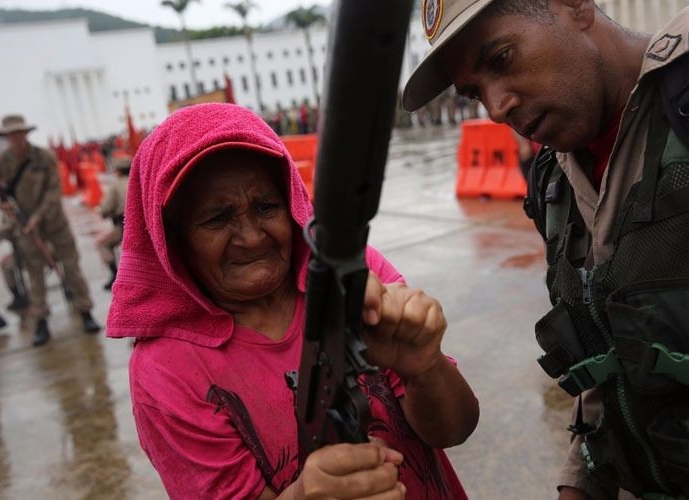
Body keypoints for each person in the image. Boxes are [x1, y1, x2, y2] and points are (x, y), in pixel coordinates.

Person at [106, 103, 479, 499]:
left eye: (266, 207)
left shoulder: (349, 277)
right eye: (217, 219)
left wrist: (425, 367)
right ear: (172, 241)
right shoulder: (167, 371)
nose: (251, 237)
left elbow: (456, 428)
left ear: (292, 204)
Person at [403, 1, 689, 499]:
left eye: (501, 59)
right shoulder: (555, 181)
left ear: (575, 5)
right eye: (474, 93)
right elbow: (610, 358)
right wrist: (576, 483)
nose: (495, 108)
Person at [0, 115, 100, 346]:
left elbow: (53, 192)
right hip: (24, 227)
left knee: (71, 268)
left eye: (18, 133)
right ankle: (41, 321)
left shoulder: (44, 157)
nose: (15, 139)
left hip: (54, 223)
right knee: (35, 274)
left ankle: (85, 311)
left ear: (25, 134)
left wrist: (37, 218)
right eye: (10, 135)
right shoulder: (0, 163)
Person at [97, 154, 130, 290]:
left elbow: (105, 209)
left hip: (125, 225)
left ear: (117, 171)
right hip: (146, 223)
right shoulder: (140, 179)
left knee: (102, 245)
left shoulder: (115, 186)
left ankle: (114, 275)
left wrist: (104, 213)